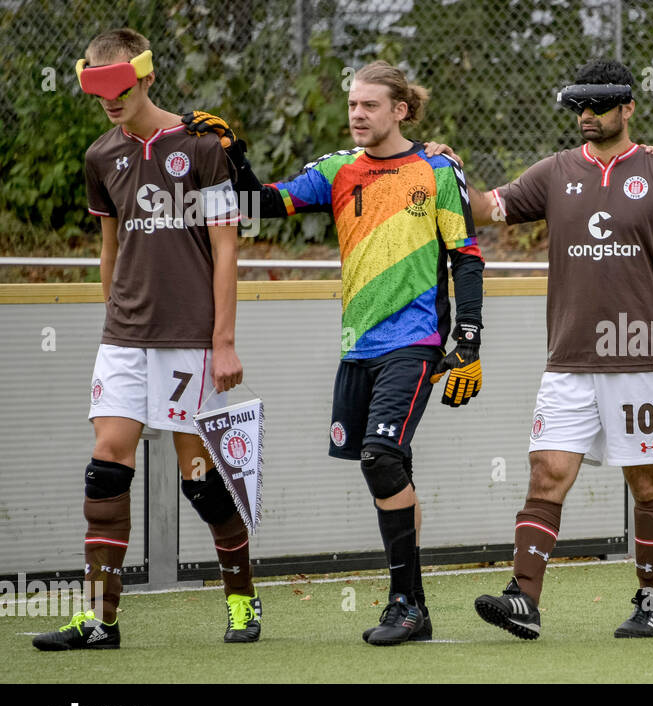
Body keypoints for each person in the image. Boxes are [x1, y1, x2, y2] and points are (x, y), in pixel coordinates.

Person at [189, 62, 485, 646]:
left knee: (379, 457)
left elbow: (466, 255)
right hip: (357, 348)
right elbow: (262, 205)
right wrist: (231, 153)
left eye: (369, 106)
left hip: (417, 341)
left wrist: (468, 341)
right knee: (390, 464)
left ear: (399, 110)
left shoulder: (438, 168)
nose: (356, 115)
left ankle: (405, 603)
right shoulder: (338, 169)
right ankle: (415, 608)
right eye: (353, 104)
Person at [430, 59, 653, 639]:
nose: (586, 115)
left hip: (637, 355)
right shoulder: (555, 172)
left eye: (599, 105)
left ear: (627, 107)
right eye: (578, 106)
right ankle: (524, 600)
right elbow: (485, 208)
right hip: (567, 360)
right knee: (546, 473)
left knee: (647, 485)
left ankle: (650, 601)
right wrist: (449, 168)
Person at [34, 28, 256, 650]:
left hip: (188, 336)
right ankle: (100, 621)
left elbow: (225, 245)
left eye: (120, 88)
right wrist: (115, 321)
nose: (109, 100)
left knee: (196, 475)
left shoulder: (203, 145)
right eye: (97, 90)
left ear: (146, 78)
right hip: (124, 336)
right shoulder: (100, 156)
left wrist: (225, 339)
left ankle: (241, 598)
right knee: (107, 464)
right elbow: (109, 250)